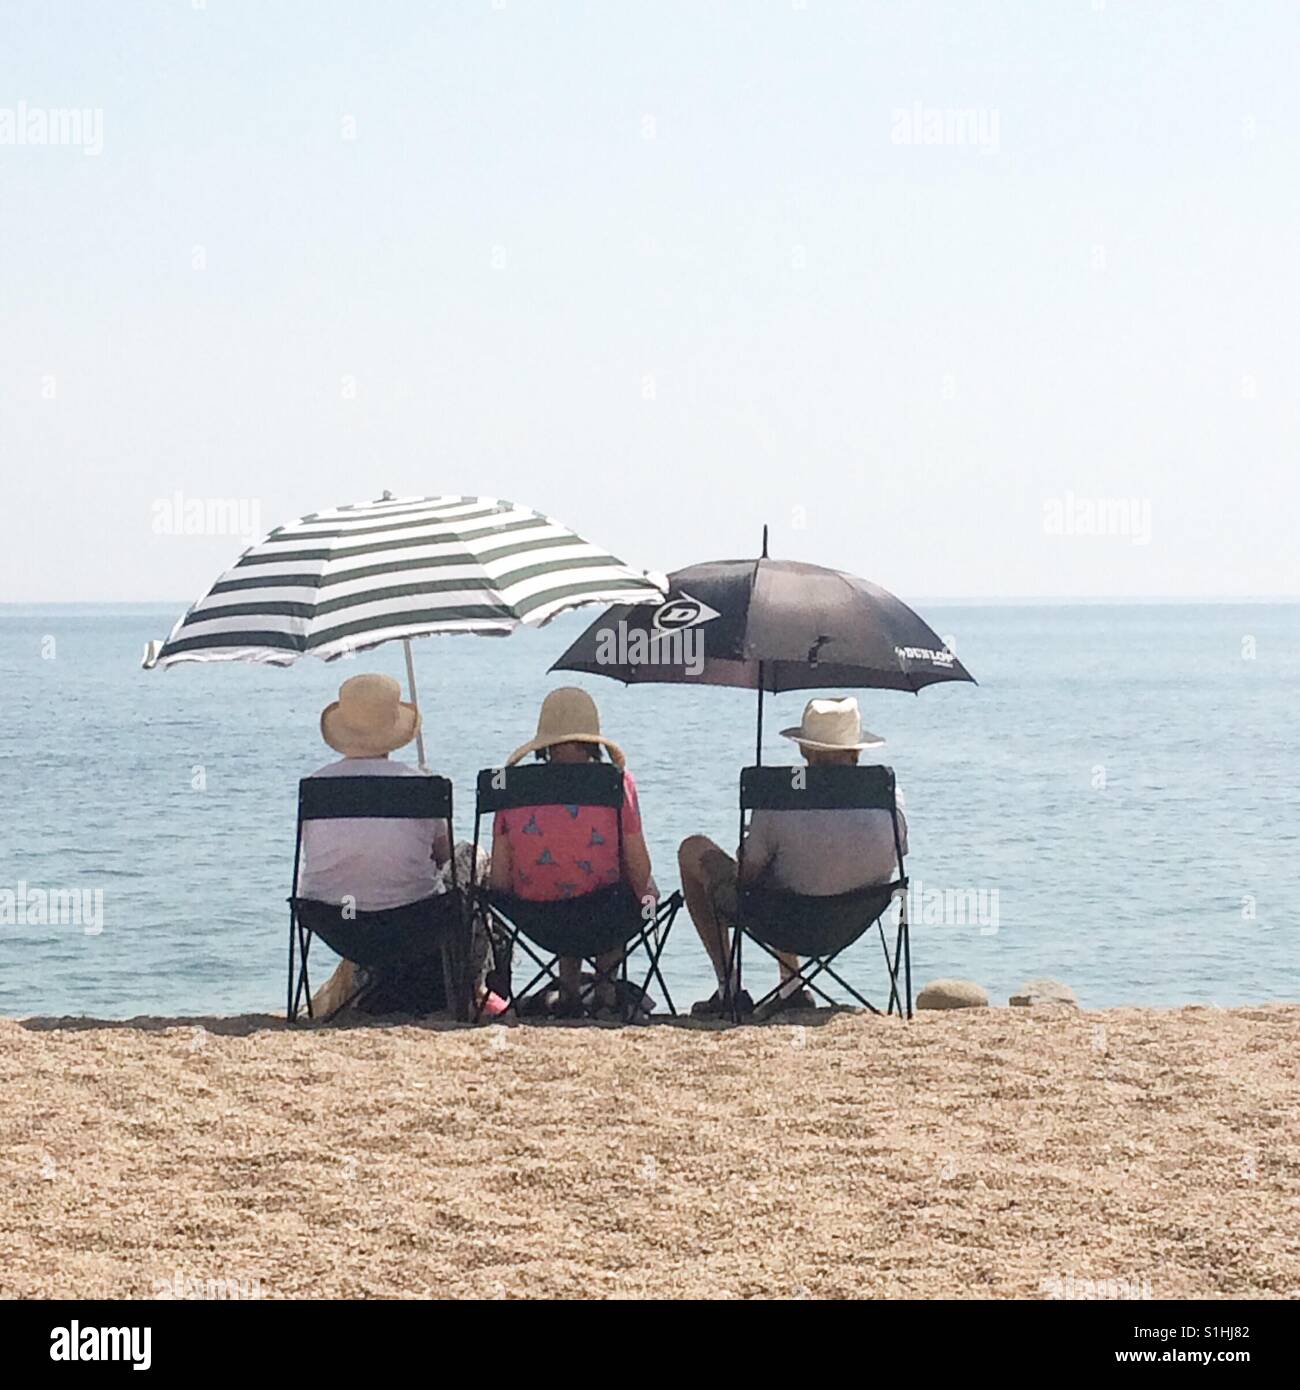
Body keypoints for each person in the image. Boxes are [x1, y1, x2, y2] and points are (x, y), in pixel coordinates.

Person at [677, 695, 906, 1017]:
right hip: (855, 916)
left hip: (786, 918)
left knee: (696, 849)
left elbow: (747, 879)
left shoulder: (780, 796)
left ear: (804, 748)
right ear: (855, 749)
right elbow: (897, 855)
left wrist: (749, 847)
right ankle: (791, 987)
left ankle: (728, 985)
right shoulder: (887, 793)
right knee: (789, 873)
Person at [298, 672, 505, 1017]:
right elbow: (444, 855)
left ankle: (370, 982)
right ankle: (473, 988)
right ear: (394, 728)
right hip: (412, 920)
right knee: (473, 856)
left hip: (332, 919)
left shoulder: (315, 787)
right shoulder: (421, 785)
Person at [490, 687, 655, 1017]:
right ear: (592, 738)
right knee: (624, 891)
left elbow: (500, 881)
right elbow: (639, 869)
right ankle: (607, 991)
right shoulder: (616, 782)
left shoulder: (511, 786)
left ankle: (569, 992)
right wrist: (648, 892)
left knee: (565, 888)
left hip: (538, 919)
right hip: (604, 915)